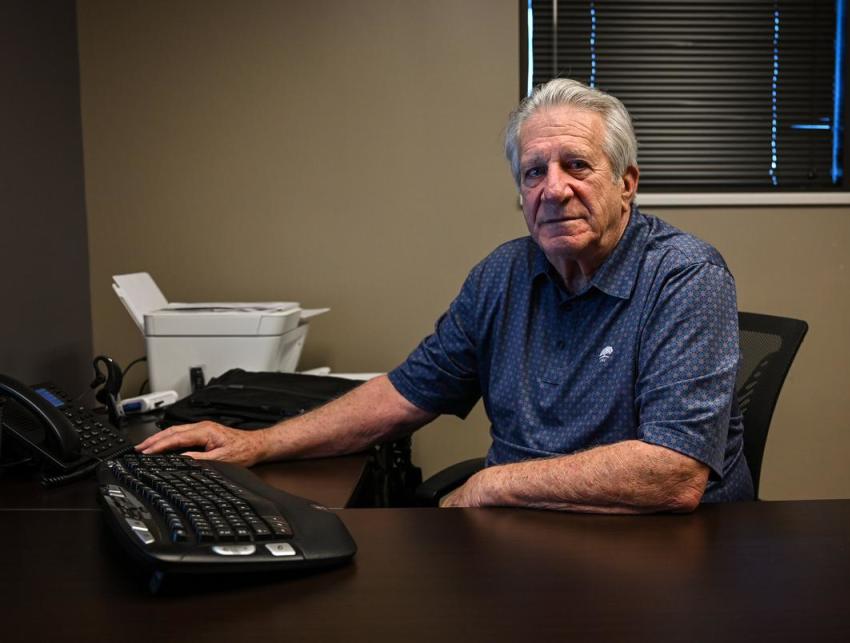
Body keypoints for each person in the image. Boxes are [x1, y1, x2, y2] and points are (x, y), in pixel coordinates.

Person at [138, 78, 753, 511]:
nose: (554, 189)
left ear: (627, 183)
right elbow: (405, 393)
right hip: (526, 536)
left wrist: (494, 485)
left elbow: (673, 474)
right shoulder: (503, 276)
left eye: (577, 166)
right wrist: (260, 442)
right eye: (534, 172)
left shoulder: (685, 276)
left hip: (655, 552)